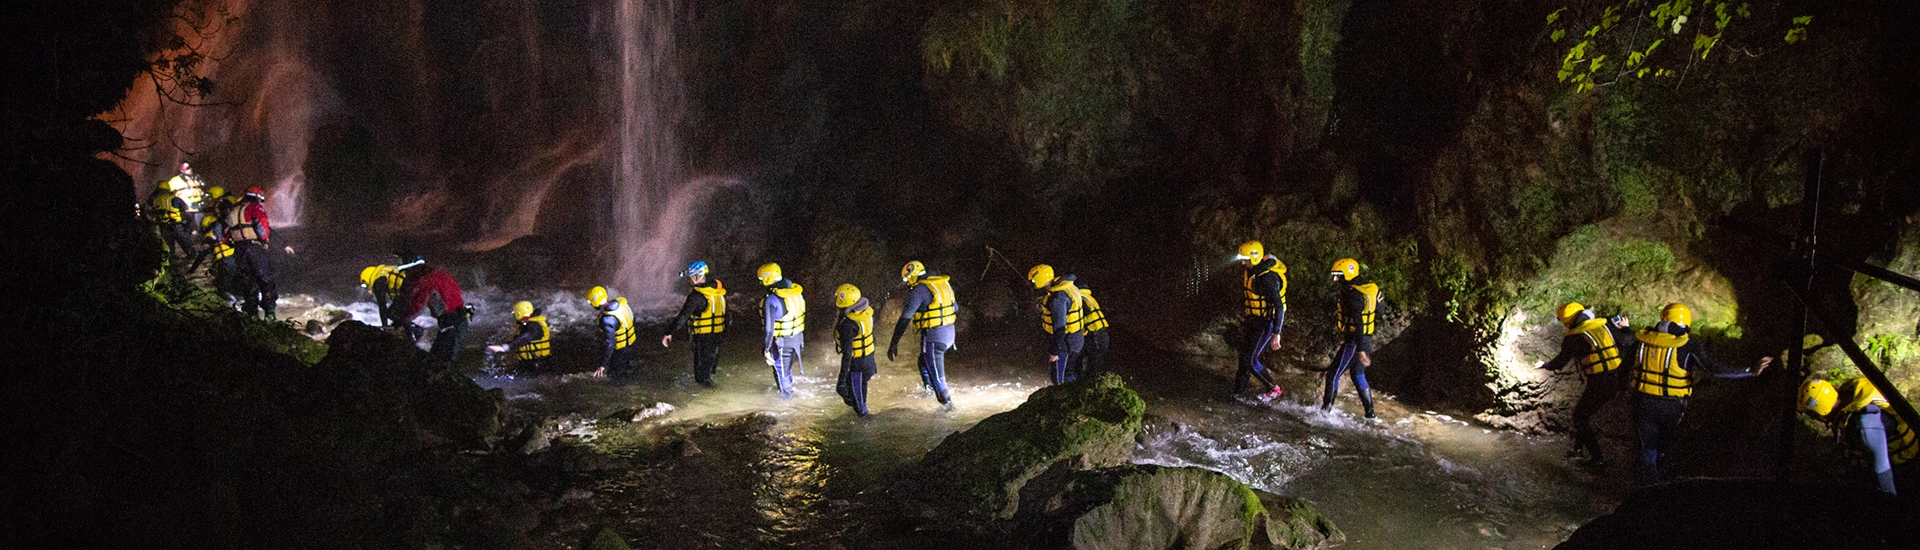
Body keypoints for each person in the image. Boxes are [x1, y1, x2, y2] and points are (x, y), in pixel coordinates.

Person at [1628, 302, 1771, 483]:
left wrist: (1620, 390)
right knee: (1664, 446)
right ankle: (1657, 484)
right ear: (1686, 324)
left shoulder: (1643, 339)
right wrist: (1750, 371)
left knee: (1648, 449)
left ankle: (1647, 484)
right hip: (1671, 406)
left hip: (1643, 402)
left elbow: (1625, 367)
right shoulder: (1688, 344)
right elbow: (1712, 368)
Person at [1540, 302, 1632, 466]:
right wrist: (1625, 328)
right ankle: (1577, 449)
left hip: (1601, 383)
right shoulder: (1606, 327)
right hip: (1617, 378)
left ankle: (1598, 459)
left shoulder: (1573, 338)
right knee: (1583, 414)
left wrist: (1544, 364)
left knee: (1580, 417)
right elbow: (1628, 340)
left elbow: (1560, 363)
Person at [1797, 377, 1916, 494]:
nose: (1812, 417)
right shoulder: (1854, 395)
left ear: (1819, 412)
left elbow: (1883, 469)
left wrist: (1890, 505)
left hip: (1910, 462)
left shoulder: (1863, 425)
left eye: (1810, 413)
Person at [888, 260, 955, 405]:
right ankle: (929, 393)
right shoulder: (943, 284)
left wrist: (893, 343)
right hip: (950, 334)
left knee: (938, 377)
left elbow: (905, 319)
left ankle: (948, 409)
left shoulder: (918, 291)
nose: (906, 283)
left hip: (934, 338)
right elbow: (955, 308)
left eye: (907, 279)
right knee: (923, 362)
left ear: (912, 275)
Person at [1321, 258, 1379, 419]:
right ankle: (1370, 414)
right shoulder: (1366, 289)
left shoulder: (1353, 295)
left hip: (1355, 341)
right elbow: (1379, 311)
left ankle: (1325, 412)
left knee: (1332, 374)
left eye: (1338, 275)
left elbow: (1359, 323)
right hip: (1365, 339)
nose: (1335, 279)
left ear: (1347, 274)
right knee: (1358, 374)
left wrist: (1360, 350)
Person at [1235, 241, 1288, 399]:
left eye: (1245, 259)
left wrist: (1276, 333)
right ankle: (1239, 394)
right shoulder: (1252, 271)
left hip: (1267, 322)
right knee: (1244, 358)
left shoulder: (1268, 278)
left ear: (1255, 259)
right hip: (1254, 320)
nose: (1243, 263)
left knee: (1250, 360)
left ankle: (1274, 389)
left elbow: (1279, 307)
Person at [662, 261, 727, 387]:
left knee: (701, 377)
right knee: (708, 371)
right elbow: (728, 318)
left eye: (689, 278)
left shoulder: (696, 296)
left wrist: (668, 332)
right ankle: (713, 395)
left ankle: (709, 398)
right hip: (717, 337)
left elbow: (682, 317)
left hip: (703, 339)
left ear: (696, 277)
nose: (688, 281)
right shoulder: (718, 294)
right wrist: (723, 336)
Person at [222, 186, 277, 320]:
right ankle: (270, 314)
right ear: (257, 198)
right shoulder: (255, 208)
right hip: (254, 247)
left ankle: (252, 315)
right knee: (265, 279)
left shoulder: (233, 210)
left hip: (239, 250)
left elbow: (226, 234)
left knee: (248, 281)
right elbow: (261, 224)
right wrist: (264, 241)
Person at [1027, 264, 1086, 385]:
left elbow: (1060, 328)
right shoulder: (1067, 287)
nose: (1032, 283)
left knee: (1059, 380)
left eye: (1033, 280)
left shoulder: (1058, 298)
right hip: (1076, 339)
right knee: (1069, 374)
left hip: (1066, 344)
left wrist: (1054, 352)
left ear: (1041, 279)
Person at [758, 263, 805, 398]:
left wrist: (766, 348)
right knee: (785, 370)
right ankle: (786, 393)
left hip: (782, 341)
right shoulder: (795, 293)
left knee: (781, 371)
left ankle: (786, 406)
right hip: (797, 337)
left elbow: (769, 329)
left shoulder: (772, 299)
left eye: (761, 280)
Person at [834, 284, 878, 417]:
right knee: (854, 394)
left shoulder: (848, 325)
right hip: (868, 361)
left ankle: (865, 422)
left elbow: (847, 354)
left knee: (861, 409)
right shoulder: (865, 313)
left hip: (858, 366)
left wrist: (840, 380)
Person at [587, 286, 638, 378]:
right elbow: (633, 319)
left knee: (615, 377)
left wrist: (602, 365)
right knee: (630, 372)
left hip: (619, 353)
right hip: (631, 347)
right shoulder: (622, 305)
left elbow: (610, 343)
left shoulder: (608, 320)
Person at [487, 301, 551, 374]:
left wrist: (505, 347)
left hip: (538, 364)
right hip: (531, 363)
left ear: (519, 313)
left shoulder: (534, 326)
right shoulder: (527, 325)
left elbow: (526, 338)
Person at [1076, 283, 1111, 380]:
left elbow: (1081, 318)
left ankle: (1088, 381)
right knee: (1097, 359)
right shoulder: (1089, 297)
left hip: (1094, 333)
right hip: (1102, 331)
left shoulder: (1080, 300)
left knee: (1093, 360)